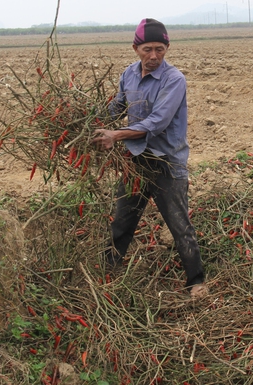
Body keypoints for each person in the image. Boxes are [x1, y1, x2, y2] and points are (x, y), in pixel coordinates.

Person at [92, 18, 206, 299]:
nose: (154, 56)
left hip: (167, 162)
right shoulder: (128, 75)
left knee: (179, 225)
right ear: (136, 48)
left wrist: (115, 136)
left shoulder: (174, 80)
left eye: (160, 49)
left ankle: (197, 282)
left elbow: (158, 121)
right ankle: (110, 273)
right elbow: (117, 106)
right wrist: (90, 123)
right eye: (147, 49)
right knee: (122, 221)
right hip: (136, 160)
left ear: (167, 48)